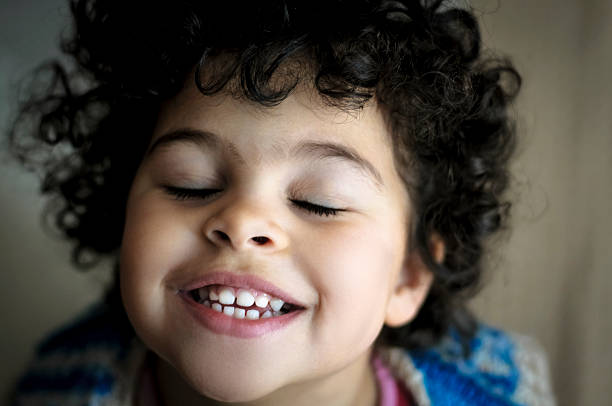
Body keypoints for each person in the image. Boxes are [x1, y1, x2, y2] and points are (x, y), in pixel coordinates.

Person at [8, 0, 555, 405]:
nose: (242, 222)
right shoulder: (54, 387)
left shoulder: (502, 390)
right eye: (190, 184)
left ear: (410, 274)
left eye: (320, 202)